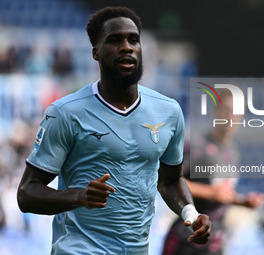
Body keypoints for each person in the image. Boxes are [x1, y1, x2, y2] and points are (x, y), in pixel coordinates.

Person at [16, 6, 211, 255]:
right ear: (96, 53)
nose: (127, 47)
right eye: (114, 40)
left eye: (133, 40)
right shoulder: (65, 112)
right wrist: (78, 196)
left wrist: (190, 213)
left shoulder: (169, 111)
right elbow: (26, 193)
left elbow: (171, 179)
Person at [162, 89, 264, 255]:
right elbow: (170, 180)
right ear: (215, 111)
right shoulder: (196, 147)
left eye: (237, 112)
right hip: (186, 239)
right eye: (227, 110)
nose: (232, 117)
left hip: (214, 243)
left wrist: (242, 202)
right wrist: (209, 192)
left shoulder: (233, 152)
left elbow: (221, 192)